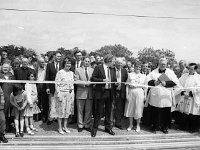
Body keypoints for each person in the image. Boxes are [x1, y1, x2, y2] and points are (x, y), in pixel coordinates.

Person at [145, 57, 179, 134]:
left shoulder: (170, 72)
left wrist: (166, 83)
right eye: (161, 64)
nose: (163, 65)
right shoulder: (153, 72)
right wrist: (154, 82)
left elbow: (176, 82)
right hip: (155, 96)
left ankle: (165, 127)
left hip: (165, 96)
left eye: (164, 64)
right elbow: (147, 80)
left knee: (165, 112)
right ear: (159, 64)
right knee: (155, 111)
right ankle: (154, 126)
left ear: (166, 64)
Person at [91, 54, 117, 137]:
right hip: (101, 92)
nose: (114, 62)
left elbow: (114, 80)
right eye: (113, 61)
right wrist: (102, 80)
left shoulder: (113, 69)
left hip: (110, 92)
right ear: (109, 60)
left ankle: (108, 128)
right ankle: (94, 129)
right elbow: (93, 78)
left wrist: (115, 83)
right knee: (98, 111)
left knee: (109, 111)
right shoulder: (98, 68)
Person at [176, 63, 200, 132]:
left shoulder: (198, 77)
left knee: (192, 112)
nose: (189, 70)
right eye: (189, 68)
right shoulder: (184, 76)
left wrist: (190, 93)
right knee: (183, 112)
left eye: (191, 69)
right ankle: (183, 126)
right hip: (184, 96)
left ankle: (192, 128)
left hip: (193, 97)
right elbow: (179, 84)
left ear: (195, 69)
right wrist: (183, 92)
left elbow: (198, 87)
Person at [54, 58, 74, 134]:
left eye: (70, 63)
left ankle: (65, 127)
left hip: (69, 94)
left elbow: (72, 84)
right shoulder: (60, 72)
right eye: (67, 63)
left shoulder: (71, 73)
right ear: (64, 64)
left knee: (67, 111)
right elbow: (57, 84)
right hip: (61, 94)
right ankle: (59, 127)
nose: (68, 65)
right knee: (60, 111)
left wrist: (71, 92)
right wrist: (58, 94)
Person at [124, 63, 146, 132]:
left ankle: (138, 125)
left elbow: (145, 87)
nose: (138, 68)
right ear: (134, 67)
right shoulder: (130, 74)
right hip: (131, 92)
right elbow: (127, 85)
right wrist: (127, 94)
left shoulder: (143, 76)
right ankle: (130, 124)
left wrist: (145, 95)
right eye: (137, 66)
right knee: (131, 108)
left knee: (138, 109)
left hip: (140, 92)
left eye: (139, 67)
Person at [75, 57, 94, 132]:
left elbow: (94, 80)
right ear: (83, 61)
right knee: (80, 110)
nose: (87, 62)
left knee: (88, 110)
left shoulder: (92, 70)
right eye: (86, 61)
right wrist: (84, 83)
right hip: (80, 92)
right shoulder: (77, 70)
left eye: (88, 61)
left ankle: (87, 125)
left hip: (90, 93)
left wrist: (91, 83)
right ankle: (80, 125)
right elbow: (76, 80)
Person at [45, 51, 62, 125]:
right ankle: (50, 118)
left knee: (58, 104)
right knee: (51, 103)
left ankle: (56, 117)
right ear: (55, 56)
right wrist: (47, 87)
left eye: (60, 56)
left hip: (60, 88)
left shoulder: (62, 65)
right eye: (58, 56)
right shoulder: (49, 65)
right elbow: (47, 77)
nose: (59, 58)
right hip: (52, 88)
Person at [70, 50, 83, 124]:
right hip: (73, 86)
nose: (79, 57)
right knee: (74, 102)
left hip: (81, 86)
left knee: (81, 103)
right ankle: (74, 118)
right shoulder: (71, 64)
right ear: (75, 56)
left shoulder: (85, 64)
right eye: (77, 55)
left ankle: (81, 119)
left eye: (80, 55)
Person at [114, 58, 128, 130]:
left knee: (119, 109)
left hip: (121, 92)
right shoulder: (111, 70)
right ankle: (110, 122)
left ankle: (117, 122)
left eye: (121, 63)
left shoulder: (124, 71)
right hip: (113, 92)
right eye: (118, 63)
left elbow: (126, 81)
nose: (119, 64)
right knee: (111, 108)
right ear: (115, 63)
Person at [1, 62, 15, 132]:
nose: (5, 69)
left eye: (7, 67)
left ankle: (8, 126)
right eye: (4, 67)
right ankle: (2, 128)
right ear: (1, 68)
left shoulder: (12, 76)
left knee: (10, 113)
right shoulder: (0, 75)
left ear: (9, 68)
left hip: (10, 97)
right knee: (3, 113)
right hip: (2, 98)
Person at [35, 57, 48, 122]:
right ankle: (38, 116)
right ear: (38, 63)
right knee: (38, 101)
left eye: (43, 62)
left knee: (44, 102)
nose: (42, 63)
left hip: (44, 86)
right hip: (38, 86)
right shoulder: (36, 69)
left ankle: (45, 116)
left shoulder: (47, 69)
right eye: (41, 62)